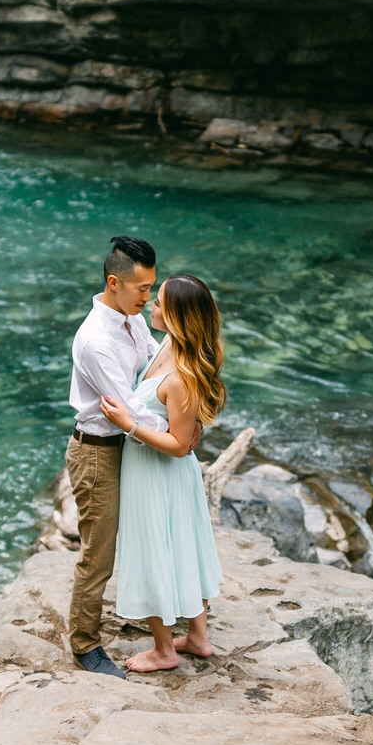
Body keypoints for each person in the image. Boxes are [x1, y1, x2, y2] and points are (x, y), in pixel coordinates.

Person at [99, 274, 227, 672]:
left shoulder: (181, 378)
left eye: (159, 304)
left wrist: (129, 425)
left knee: (153, 550)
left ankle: (164, 650)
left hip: (158, 476)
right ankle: (198, 638)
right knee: (183, 548)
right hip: (158, 475)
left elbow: (177, 443)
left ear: (176, 317)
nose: (151, 306)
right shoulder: (168, 345)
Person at [65, 236, 170, 679]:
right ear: (114, 282)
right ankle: (85, 645)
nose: (149, 299)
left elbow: (151, 369)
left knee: (143, 537)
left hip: (129, 445)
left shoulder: (132, 320)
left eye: (152, 289)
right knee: (99, 553)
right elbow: (128, 406)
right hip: (98, 454)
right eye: (142, 289)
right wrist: (174, 434)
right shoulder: (96, 341)